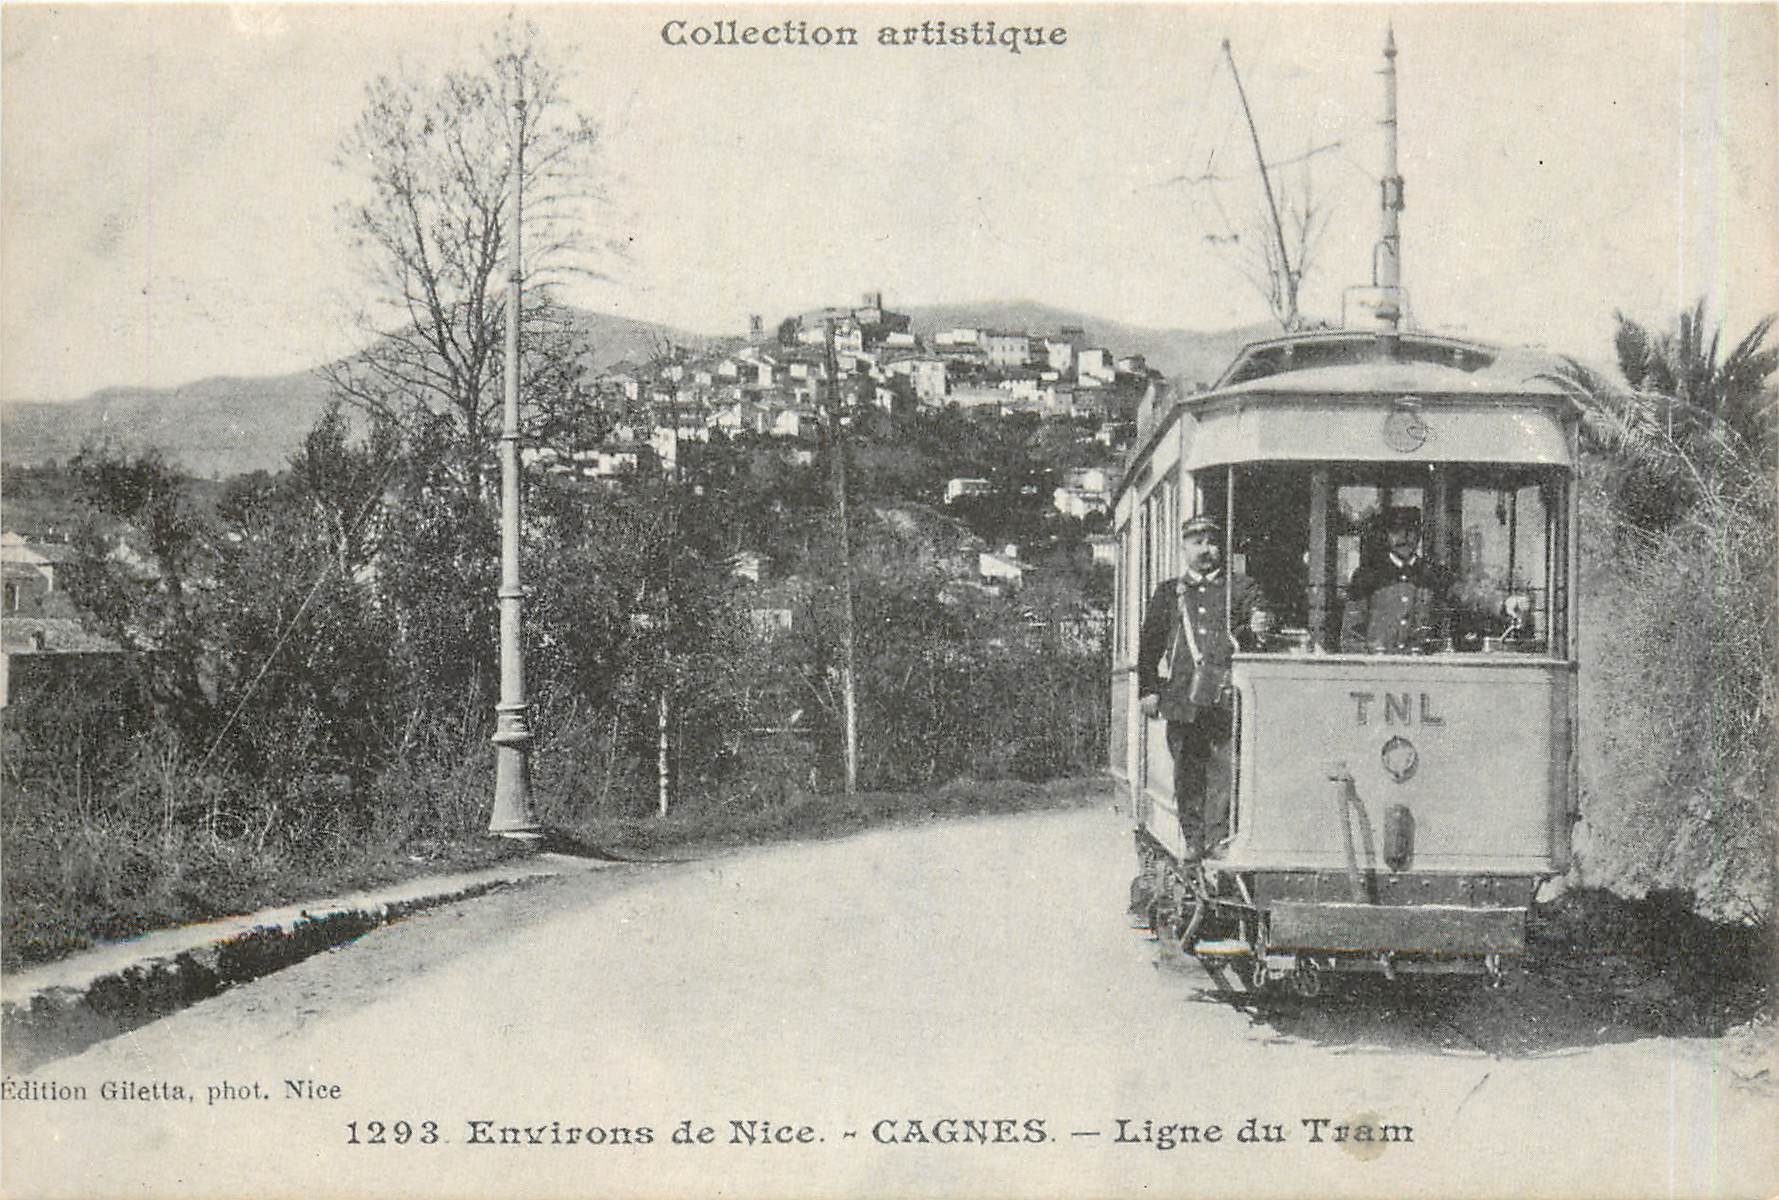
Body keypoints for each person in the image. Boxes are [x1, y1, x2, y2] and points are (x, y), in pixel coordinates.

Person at [1135, 514, 1271, 869]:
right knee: (1187, 772)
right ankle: (1193, 840)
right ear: (1184, 548)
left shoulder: (1240, 588)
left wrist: (1258, 625)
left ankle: (1216, 840)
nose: (1205, 549)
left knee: (1223, 769)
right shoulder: (1168, 593)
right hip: (1181, 697)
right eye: (1197, 542)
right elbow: (1149, 645)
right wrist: (1148, 690)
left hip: (1224, 697)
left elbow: (1257, 627)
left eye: (1211, 542)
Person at [1338, 506, 1457, 653]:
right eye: (1396, 532)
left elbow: (1443, 633)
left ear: (1419, 535)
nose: (1403, 538)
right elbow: (1351, 636)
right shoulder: (1367, 575)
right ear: (1386, 535)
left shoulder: (1434, 575)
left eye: (1410, 532)